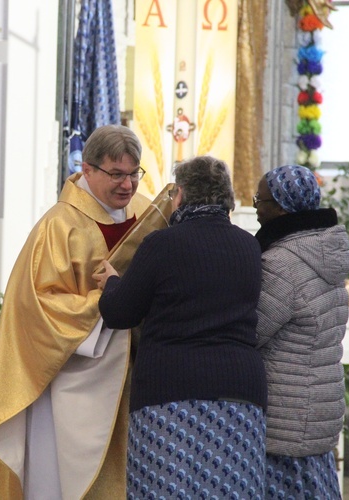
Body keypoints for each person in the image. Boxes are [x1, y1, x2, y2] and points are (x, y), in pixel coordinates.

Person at [0, 124, 152, 499]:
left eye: (134, 174)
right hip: (73, 378)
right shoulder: (59, 225)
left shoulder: (144, 213)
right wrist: (109, 301)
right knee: (61, 480)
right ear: (87, 170)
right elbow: (40, 305)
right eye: (116, 175)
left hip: (135, 370)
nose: (127, 186)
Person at [94, 155, 268, 500]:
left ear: (182, 195)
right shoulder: (249, 246)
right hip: (240, 392)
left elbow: (120, 312)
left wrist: (112, 283)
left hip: (172, 392)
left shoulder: (162, 245)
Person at [253, 164, 349, 499]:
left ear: (281, 207)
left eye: (260, 199)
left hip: (288, 411)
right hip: (318, 404)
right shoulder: (325, 251)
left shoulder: (282, 263)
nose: (254, 205)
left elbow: (251, 331)